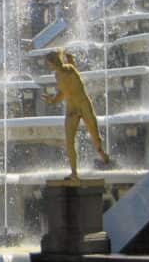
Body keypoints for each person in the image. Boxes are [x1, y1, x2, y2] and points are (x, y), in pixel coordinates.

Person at [43, 50, 111, 179]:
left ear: (53, 61)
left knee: (95, 136)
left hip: (83, 105)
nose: (48, 66)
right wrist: (52, 100)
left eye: (48, 63)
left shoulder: (69, 69)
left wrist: (69, 59)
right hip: (71, 109)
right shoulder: (57, 75)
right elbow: (62, 93)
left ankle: (103, 156)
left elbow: (72, 71)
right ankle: (74, 173)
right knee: (69, 141)